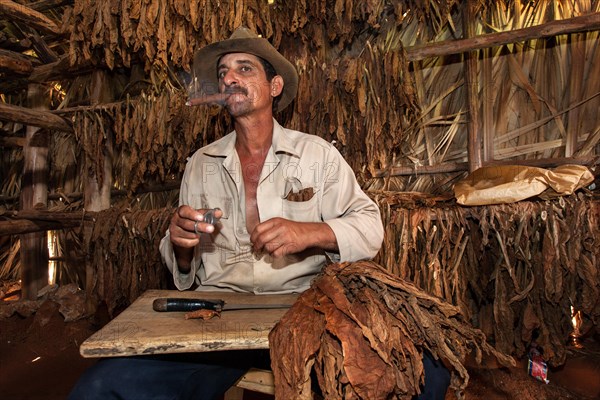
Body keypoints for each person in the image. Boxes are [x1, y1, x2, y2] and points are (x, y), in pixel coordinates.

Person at [69, 27, 447, 400]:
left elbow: (369, 226)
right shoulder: (201, 164)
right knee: (100, 387)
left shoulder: (316, 156)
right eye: (223, 73)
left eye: (244, 68)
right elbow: (183, 267)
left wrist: (310, 232)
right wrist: (182, 245)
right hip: (216, 318)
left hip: (304, 310)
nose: (229, 78)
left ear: (275, 87)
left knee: (427, 373)